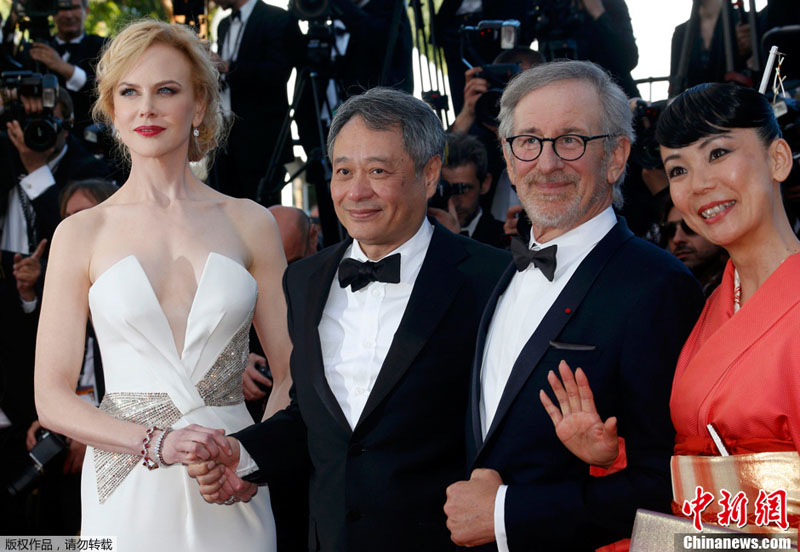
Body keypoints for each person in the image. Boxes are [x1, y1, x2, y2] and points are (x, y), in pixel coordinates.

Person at [189, 87, 510, 552]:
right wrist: (245, 453)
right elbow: (312, 419)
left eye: (378, 171)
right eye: (344, 172)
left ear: (429, 173)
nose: (356, 192)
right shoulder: (304, 280)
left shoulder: (491, 280)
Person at [33, 20, 292, 551]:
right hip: (127, 479)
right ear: (112, 108)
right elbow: (52, 397)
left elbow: (293, 373)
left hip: (231, 475)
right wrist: (157, 442)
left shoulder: (250, 222)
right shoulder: (81, 232)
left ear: (198, 106)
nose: (146, 108)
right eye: (129, 92)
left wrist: (248, 459)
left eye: (166, 90)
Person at [442, 60, 704, 551]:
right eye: (529, 140)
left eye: (572, 140)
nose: (546, 163)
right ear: (507, 154)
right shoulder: (497, 274)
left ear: (616, 156)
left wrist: (505, 514)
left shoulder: (658, 286)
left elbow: (671, 486)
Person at [542, 82, 800, 544]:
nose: (699, 184)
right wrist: (611, 457)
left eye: (718, 153)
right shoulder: (713, 307)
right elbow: (698, 459)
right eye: (678, 169)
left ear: (778, 158)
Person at [209, 0, 303, 202]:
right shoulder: (223, 24)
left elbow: (277, 74)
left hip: (261, 140)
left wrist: (226, 66)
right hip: (225, 138)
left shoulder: (277, 18)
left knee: (262, 211)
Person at [22, 0, 105, 135]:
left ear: (87, 11)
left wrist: (61, 66)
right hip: (40, 135)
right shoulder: (35, 50)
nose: (69, 15)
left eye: (74, 7)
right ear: (52, 12)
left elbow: (103, 91)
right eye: (62, 9)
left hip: (90, 137)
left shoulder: (103, 46)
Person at [442, 133, 506, 248]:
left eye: (464, 189)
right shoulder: (419, 235)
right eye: (446, 189)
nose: (454, 202)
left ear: (485, 184)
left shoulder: (505, 237)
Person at [661, 198, 727, 296]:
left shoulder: (738, 282)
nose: (677, 239)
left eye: (689, 226)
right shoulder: (668, 292)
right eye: (669, 230)